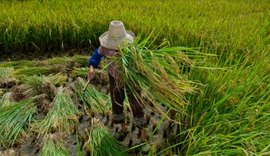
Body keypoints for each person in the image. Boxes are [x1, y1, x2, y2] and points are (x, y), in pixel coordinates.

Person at [87, 20, 147, 141]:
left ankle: (143, 134)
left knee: (136, 103)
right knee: (116, 101)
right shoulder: (105, 47)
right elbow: (96, 55)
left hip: (131, 77)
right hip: (114, 77)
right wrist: (92, 67)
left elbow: (141, 60)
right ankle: (123, 129)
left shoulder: (131, 47)